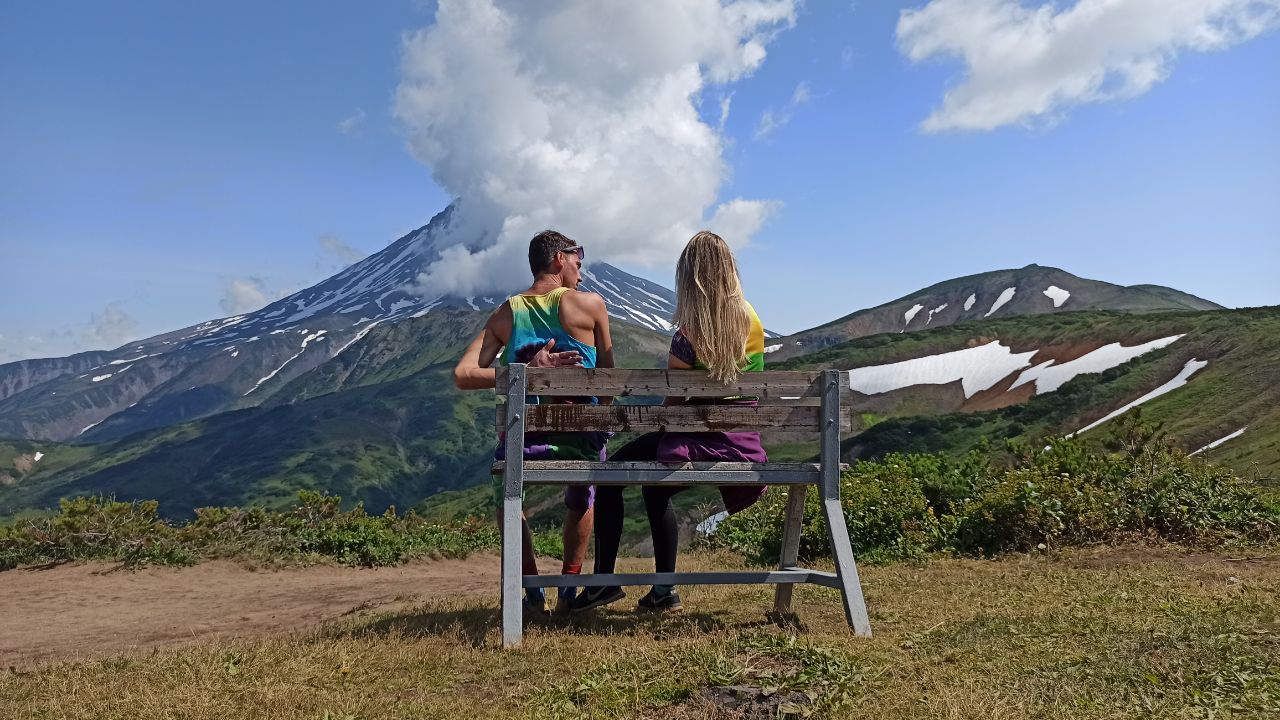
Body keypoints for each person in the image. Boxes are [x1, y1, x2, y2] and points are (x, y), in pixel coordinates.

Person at [573, 230, 768, 613]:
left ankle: (604, 584)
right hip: (741, 440)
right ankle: (664, 591)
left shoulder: (688, 334)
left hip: (698, 435)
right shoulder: (752, 319)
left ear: (688, 276)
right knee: (656, 490)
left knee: (609, 475)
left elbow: (673, 405)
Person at [453, 230, 615, 614]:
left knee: (508, 492)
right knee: (584, 491)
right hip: (581, 439)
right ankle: (569, 589)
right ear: (559, 258)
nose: (581, 267)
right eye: (579, 258)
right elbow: (609, 380)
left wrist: (519, 371)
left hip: (521, 442)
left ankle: (530, 592)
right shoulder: (592, 306)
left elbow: (463, 374)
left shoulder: (507, 313)